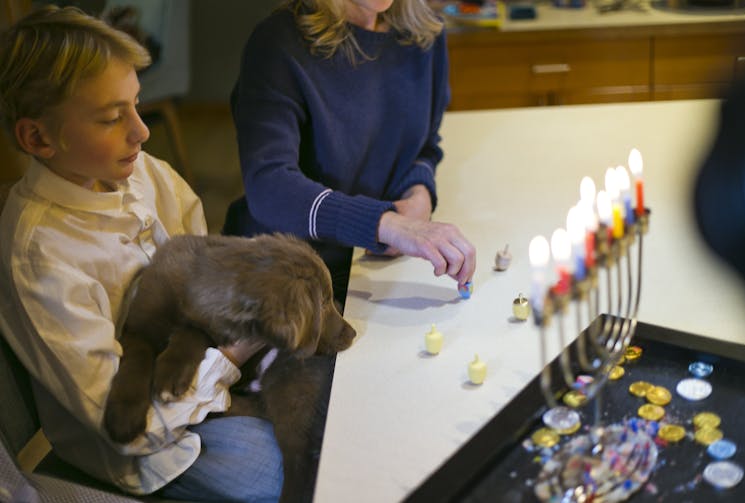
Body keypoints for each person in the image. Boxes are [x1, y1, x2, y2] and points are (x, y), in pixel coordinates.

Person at [0, 6, 282, 502]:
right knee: (286, 475)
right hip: (150, 445)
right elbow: (127, 424)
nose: (142, 131)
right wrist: (232, 357)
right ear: (37, 138)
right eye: (112, 118)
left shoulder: (142, 171)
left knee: (329, 392)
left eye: (137, 103)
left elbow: (204, 268)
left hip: (201, 374)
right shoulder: (41, 259)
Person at [225, 0, 477, 304]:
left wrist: (419, 194)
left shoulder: (425, 32)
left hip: (372, 263)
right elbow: (269, 187)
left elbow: (424, 145)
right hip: (287, 273)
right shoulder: (277, 43)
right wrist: (387, 225)